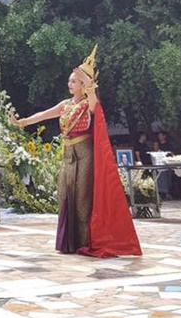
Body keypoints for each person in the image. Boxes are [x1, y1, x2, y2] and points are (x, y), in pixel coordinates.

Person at [10, 46, 142, 258]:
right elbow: (44, 114)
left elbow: (94, 104)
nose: (70, 84)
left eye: (74, 81)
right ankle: (68, 242)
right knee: (64, 195)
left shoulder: (88, 104)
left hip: (85, 153)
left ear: (83, 85)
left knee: (82, 199)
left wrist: (88, 82)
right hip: (68, 153)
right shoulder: (66, 104)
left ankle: (84, 241)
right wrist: (23, 122)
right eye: (70, 81)